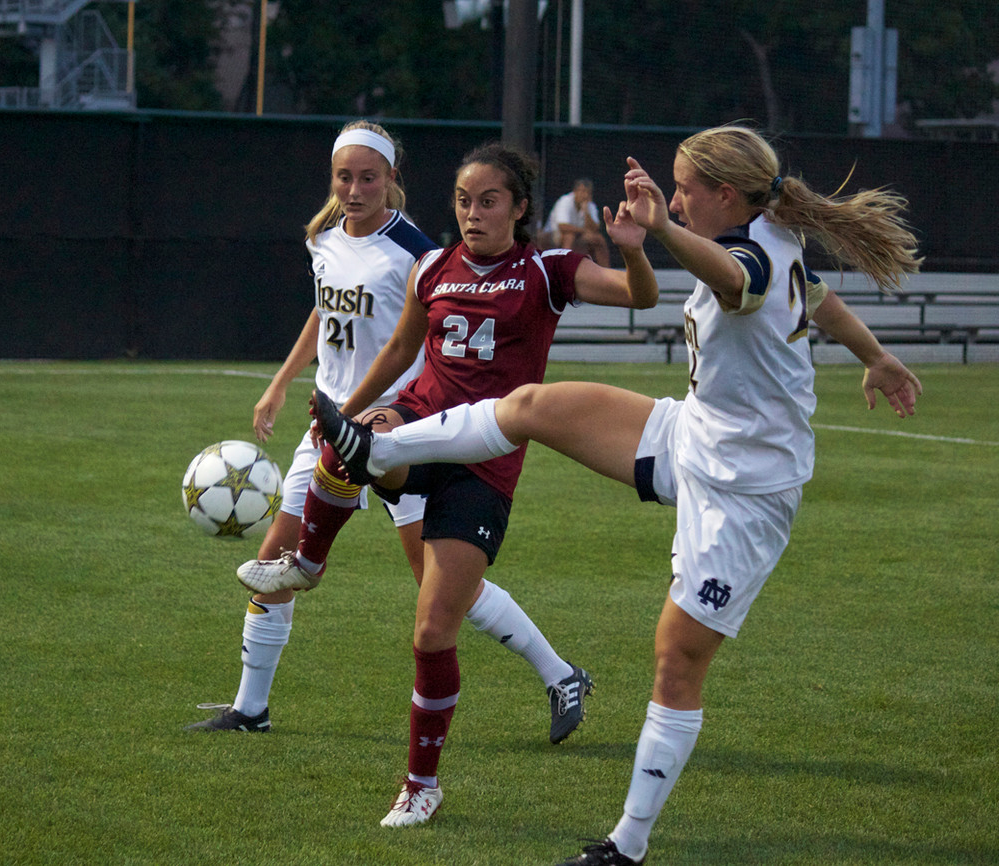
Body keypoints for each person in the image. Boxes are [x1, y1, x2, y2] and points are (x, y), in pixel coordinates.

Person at [311, 125, 924, 862]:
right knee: (537, 404)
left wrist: (659, 229)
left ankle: (625, 846)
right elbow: (819, 300)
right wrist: (878, 355)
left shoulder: (751, 253)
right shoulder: (769, 233)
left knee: (675, 660)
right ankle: (374, 446)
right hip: (695, 435)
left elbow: (740, 282)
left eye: (685, 187)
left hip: (746, 494)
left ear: (724, 195)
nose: (674, 197)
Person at [240, 140, 661, 827]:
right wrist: (345, 413)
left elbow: (639, 298)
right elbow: (404, 350)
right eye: (464, 201)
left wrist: (636, 249)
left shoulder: (548, 269)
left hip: (485, 459)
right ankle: (307, 565)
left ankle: (421, 785)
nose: (473, 213)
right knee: (356, 444)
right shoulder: (433, 266)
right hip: (420, 422)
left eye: (489, 201)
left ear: (520, 208)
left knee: (434, 630)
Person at [186, 121, 591, 749]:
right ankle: (251, 707)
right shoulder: (322, 237)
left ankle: (560, 673)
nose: (353, 189)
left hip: (404, 428)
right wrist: (282, 383)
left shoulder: (416, 249)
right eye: (343, 177)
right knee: (273, 561)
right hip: (334, 422)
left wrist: (398, 415)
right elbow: (326, 310)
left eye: (366, 177)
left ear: (391, 180)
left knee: (439, 587)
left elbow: (424, 333)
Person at [544, 178, 611, 266]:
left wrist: (586, 212)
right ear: (575, 191)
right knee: (569, 236)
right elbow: (562, 226)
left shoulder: (590, 205)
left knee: (598, 239)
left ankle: (606, 271)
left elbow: (595, 228)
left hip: (578, 235)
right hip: (554, 234)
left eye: (588, 192)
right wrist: (584, 230)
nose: (585, 195)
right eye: (582, 191)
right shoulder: (565, 201)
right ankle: (565, 267)